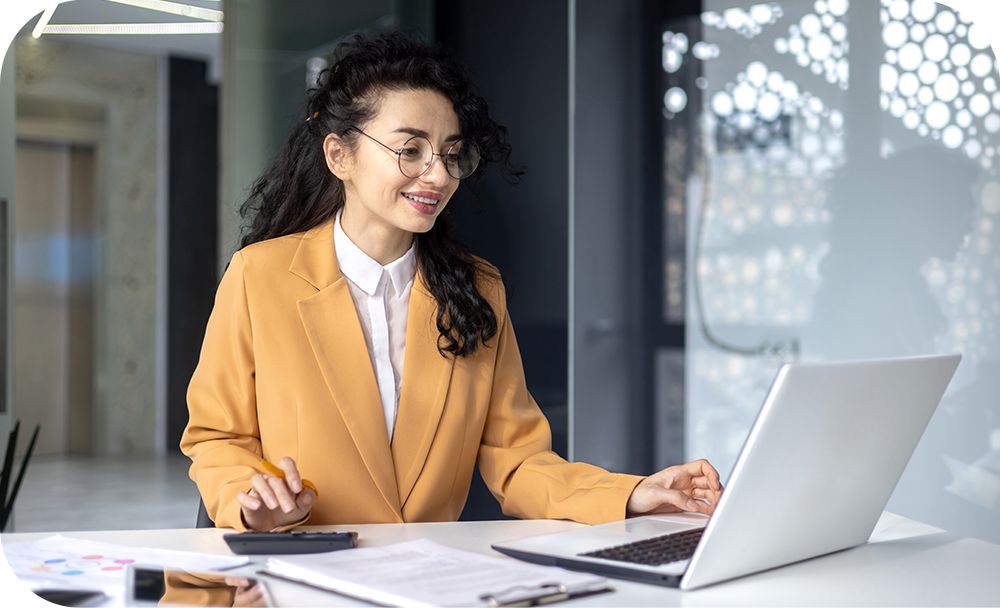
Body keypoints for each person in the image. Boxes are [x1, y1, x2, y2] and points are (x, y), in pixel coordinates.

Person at [180, 31, 722, 532]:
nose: (437, 175)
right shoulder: (260, 276)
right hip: (301, 577)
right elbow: (217, 438)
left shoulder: (477, 289)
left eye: (449, 154)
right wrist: (253, 501)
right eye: (410, 149)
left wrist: (629, 494)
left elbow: (518, 462)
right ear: (339, 155)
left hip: (429, 581)